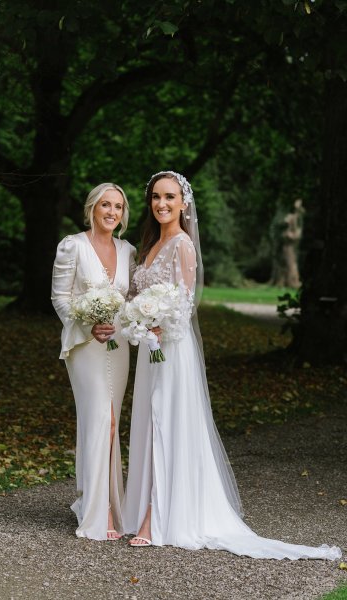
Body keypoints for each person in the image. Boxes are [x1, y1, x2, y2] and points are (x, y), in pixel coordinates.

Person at [121, 171, 341, 559]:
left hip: (170, 348)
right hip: (150, 347)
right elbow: (139, 295)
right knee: (149, 421)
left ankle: (156, 516)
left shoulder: (183, 245)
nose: (162, 204)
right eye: (156, 197)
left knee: (165, 422)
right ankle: (143, 505)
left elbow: (184, 305)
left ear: (183, 203)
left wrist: (155, 321)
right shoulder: (152, 244)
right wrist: (136, 319)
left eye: (169, 197)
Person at [51, 182, 136, 541]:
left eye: (118, 206)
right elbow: (60, 298)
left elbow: (131, 297)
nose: (112, 212)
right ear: (92, 208)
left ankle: (110, 505)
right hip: (84, 345)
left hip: (118, 345)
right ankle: (96, 510)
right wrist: (88, 322)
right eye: (105, 205)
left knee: (112, 420)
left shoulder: (128, 250)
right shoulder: (72, 246)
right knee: (98, 416)